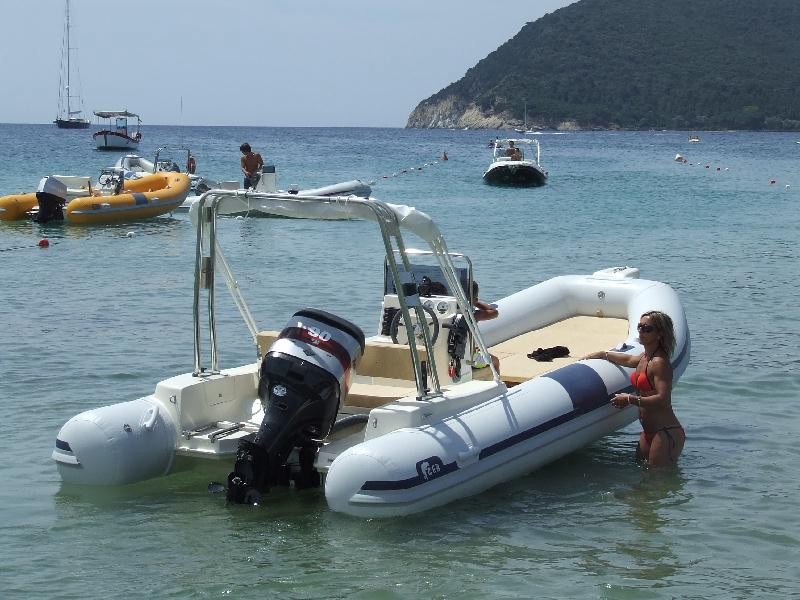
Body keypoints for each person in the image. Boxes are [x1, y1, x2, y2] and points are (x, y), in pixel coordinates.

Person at [583, 310, 684, 466]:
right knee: (643, 479)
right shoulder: (645, 357)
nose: (641, 331)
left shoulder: (659, 363)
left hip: (665, 432)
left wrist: (630, 399)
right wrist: (604, 354)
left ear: (660, 334)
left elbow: (663, 399)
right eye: (639, 327)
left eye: (647, 329)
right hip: (649, 431)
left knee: (656, 483)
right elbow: (629, 359)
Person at [471, 281, 500, 372]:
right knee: (495, 361)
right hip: (469, 360)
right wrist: (476, 302)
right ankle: (496, 384)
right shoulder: (474, 315)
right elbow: (494, 312)